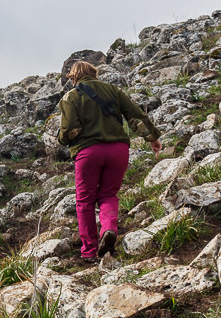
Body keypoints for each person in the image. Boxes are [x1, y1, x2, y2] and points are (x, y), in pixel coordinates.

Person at [57, 61, 162, 262]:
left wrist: (63, 139)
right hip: (118, 151)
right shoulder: (114, 91)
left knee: (85, 201)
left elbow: (69, 129)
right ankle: (109, 229)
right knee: (108, 194)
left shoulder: (71, 97)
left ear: (73, 77)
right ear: (94, 74)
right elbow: (135, 116)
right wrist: (153, 138)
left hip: (88, 153)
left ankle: (89, 251)